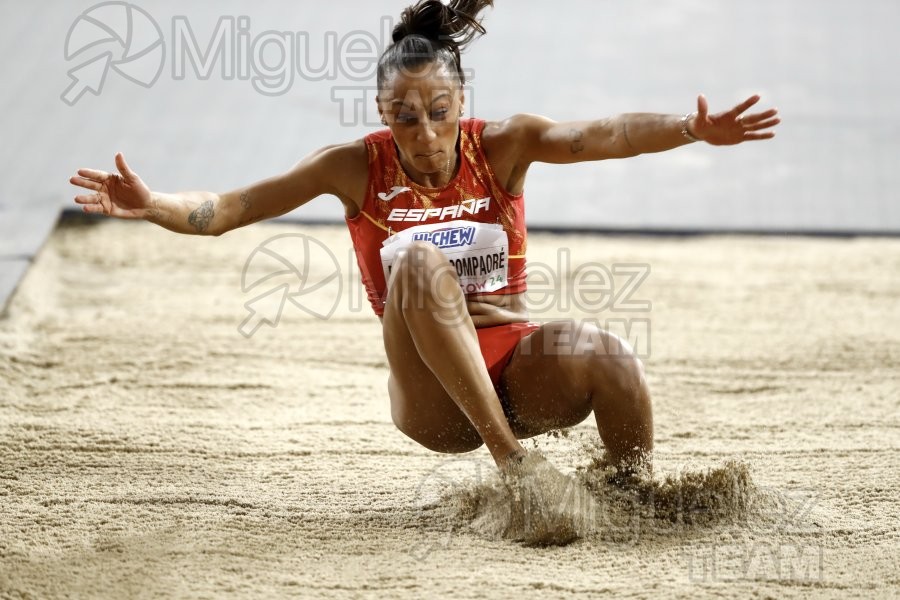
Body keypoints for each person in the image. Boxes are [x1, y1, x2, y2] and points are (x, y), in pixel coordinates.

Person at [69, 0, 779, 476]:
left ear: (461, 104)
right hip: (434, 400)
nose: (426, 135)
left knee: (611, 355)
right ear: (382, 113)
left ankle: (632, 497)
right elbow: (227, 207)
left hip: (516, 370)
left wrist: (689, 129)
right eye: (405, 118)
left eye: (439, 112)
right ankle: (517, 470)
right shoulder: (351, 166)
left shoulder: (503, 146)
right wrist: (154, 201)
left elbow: (603, 134)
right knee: (415, 261)